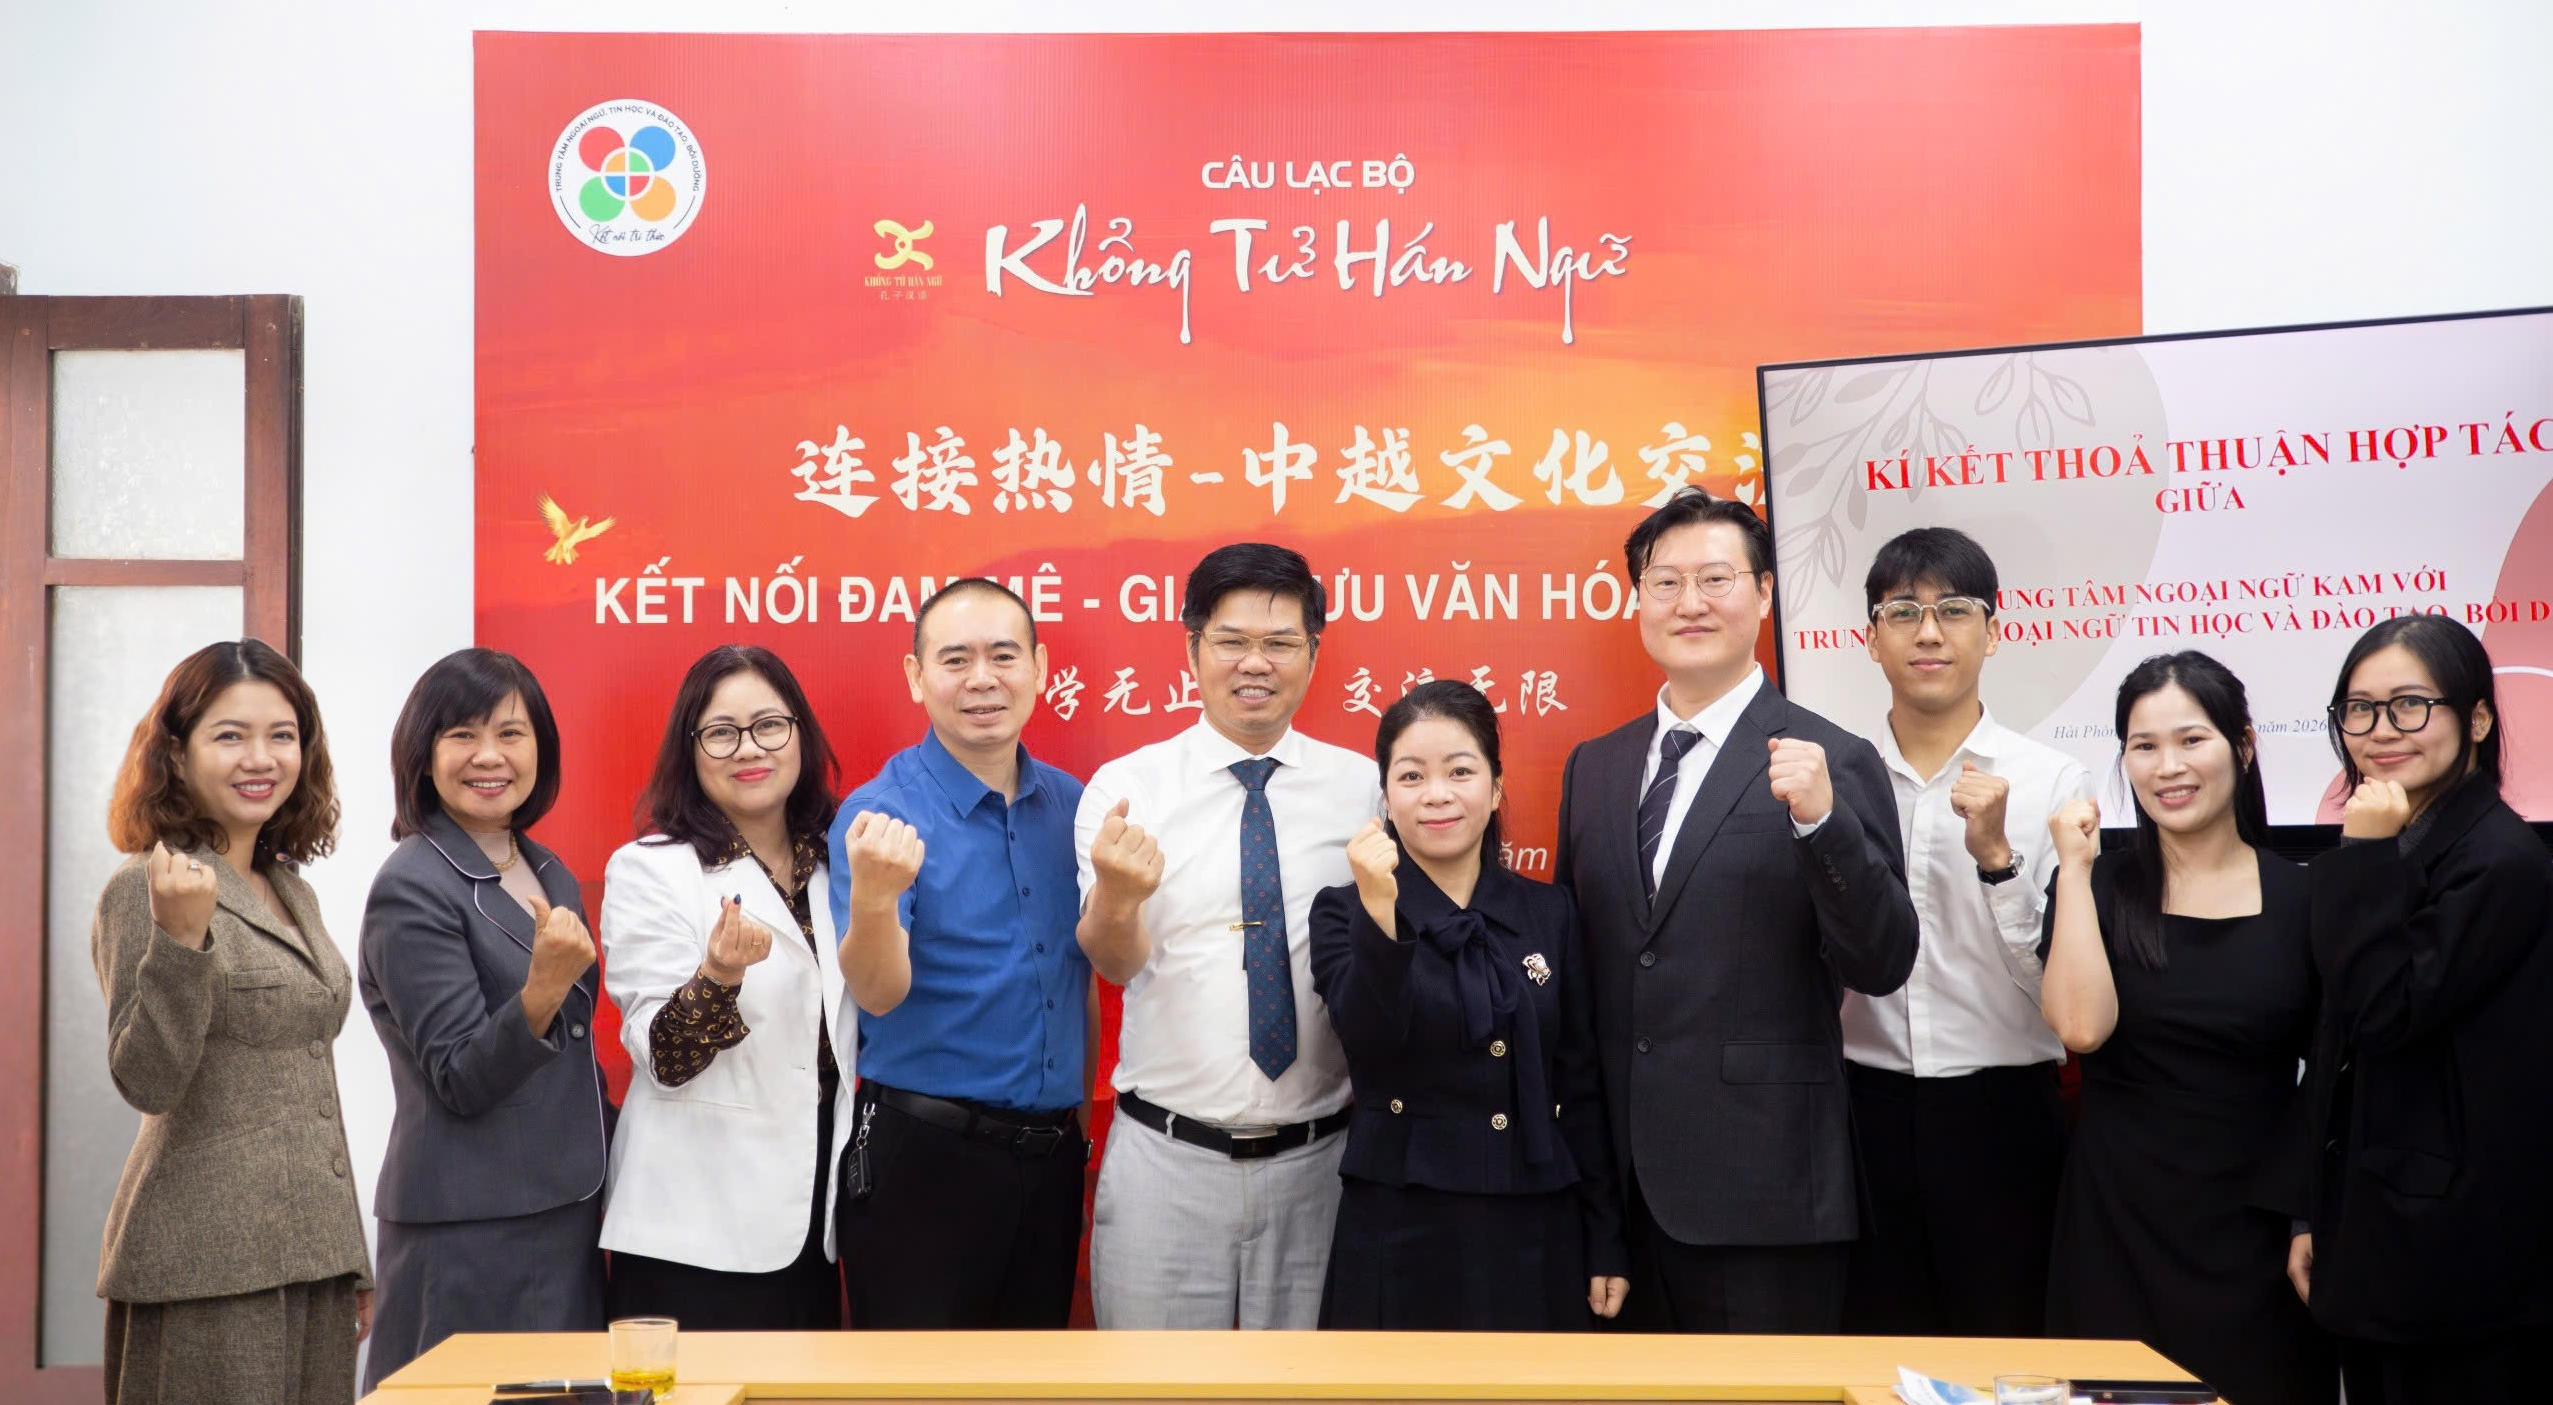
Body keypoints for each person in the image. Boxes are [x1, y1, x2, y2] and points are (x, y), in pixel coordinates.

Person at [1553, 489, 1916, 1334]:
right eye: (1665, 581)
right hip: (1622, 1199)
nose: (1689, 602)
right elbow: (1585, 981)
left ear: (1762, 593)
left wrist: (1821, 823)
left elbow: (1882, 960)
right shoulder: (1594, 767)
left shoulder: (1830, 758)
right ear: (1637, 600)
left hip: (1767, 1194)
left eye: (1714, 578)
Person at [1077, 542, 1379, 1329]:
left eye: (1279, 642)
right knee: (1153, 1386)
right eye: (1231, 640)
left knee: (1314, 1384)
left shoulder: (1365, 788)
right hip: (1165, 1166)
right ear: (1191, 648)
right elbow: (1114, 962)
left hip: (1322, 1166)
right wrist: (1119, 896)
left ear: (1313, 653)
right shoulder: (1128, 790)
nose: (1255, 662)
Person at [2039, 651, 2334, 1405]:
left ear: (2242, 745)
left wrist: (2306, 1214)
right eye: (2143, 746)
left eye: (2191, 739)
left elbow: (2334, 1077)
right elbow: (2079, 1028)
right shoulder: (2098, 885)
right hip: (2116, 1226)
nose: (2168, 766)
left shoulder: (2304, 898)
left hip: (2258, 1234)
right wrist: (2074, 870)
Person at [89, 640, 372, 1404]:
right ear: (176, 755)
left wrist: (351, 1255)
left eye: (282, 735)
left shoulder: (289, 888)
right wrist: (180, 942)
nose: (261, 757)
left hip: (313, 1259)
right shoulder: (144, 886)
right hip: (206, 1266)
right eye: (230, 735)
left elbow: (308, 1080)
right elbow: (147, 1080)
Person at [1308, 680, 1627, 1331]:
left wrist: (1605, 1236)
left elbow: (1580, 1086)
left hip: (1535, 1216)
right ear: (1386, 797)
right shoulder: (1345, 910)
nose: (1436, 794)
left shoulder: (1550, 912)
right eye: (1411, 776)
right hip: (1400, 1223)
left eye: (1460, 771)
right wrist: (1379, 911)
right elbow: (1368, 1037)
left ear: (1496, 787)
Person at [1840, 528, 2090, 1337]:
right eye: (1901, 611)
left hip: (2001, 1114)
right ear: (1869, 638)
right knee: (1874, 1353)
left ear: (1993, 630)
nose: (1927, 632)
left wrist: (1996, 860)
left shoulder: (2050, 780)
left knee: (2008, 1352)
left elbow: (2059, 991)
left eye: (1952, 609)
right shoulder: (1832, 777)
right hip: (1859, 1107)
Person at [2300, 616, 2553, 1405]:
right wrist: (2308, 1212)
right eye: (2359, 708)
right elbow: (2335, 1044)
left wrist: (2361, 852)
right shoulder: (2406, 837)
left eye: (2410, 704)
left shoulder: (2499, 858)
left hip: (2452, 1258)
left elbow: (2383, 1011)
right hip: (2373, 1231)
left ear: (2475, 719)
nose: (2381, 730)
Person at [830, 580, 1092, 1328]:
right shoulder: (880, 815)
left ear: (1040, 668)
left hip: (1051, 1158)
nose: (982, 679)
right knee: (919, 1379)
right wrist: (876, 897)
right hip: (926, 1159)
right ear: (917, 677)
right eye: (955, 660)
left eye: (1003, 656)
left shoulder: (1073, 805)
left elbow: (1080, 980)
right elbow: (877, 993)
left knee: (1033, 1371)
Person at [358, 648, 608, 1391]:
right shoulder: (412, 885)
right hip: (469, 1230)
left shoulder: (548, 869)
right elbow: (459, 1073)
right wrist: (542, 990)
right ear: (424, 754)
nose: (489, 755)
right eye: (462, 734)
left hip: (564, 1214)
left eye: (510, 733)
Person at [599, 645, 855, 1328]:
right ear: (690, 750)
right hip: (694, 1227)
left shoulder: (838, 863)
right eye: (721, 732)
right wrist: (718, 976)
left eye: (770, 725)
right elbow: (664, 1057)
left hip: (813, 1219)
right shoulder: (649, 869)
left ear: (801, 734)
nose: (749, 748)